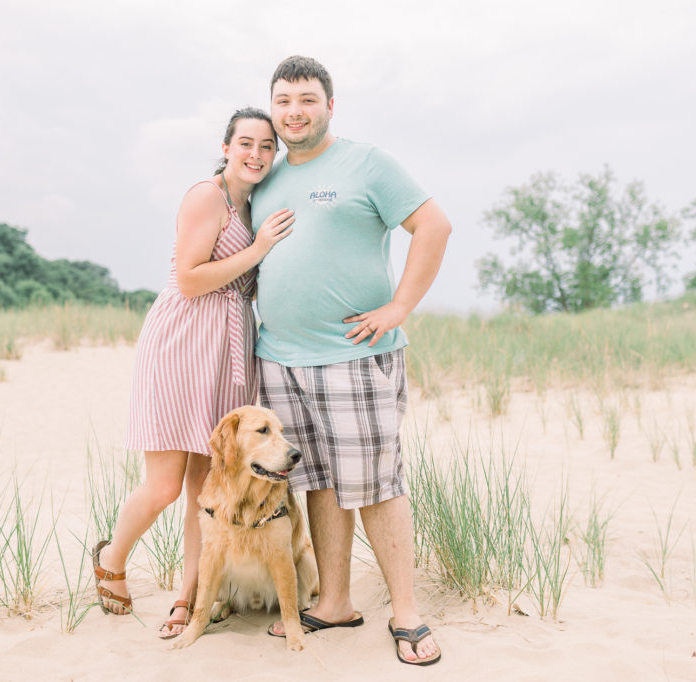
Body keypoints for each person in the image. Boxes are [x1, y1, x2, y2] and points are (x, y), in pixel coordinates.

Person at [251, 56, 451, 666]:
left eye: (307, 99)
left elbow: (434, 226)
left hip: (354, 356)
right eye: (283, 100)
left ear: (329, 106)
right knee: (317, 481)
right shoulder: (268, 177)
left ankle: (407, 614)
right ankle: (335, 601)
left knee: (376, 483)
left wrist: (399, 307)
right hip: (279, 358)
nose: (294, 111)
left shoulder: (367, 162)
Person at [92, 107, 295, 639]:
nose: (255, 154)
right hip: (184, 337)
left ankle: (187, 597)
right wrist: (259, 249)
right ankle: (111, 558)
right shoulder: (207, 196)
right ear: (226, 148)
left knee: (206, 489)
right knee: (162, 485)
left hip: (230, 347)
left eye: (266, 146)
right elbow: (188, 279)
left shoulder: (256, 203)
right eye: (245, 143)